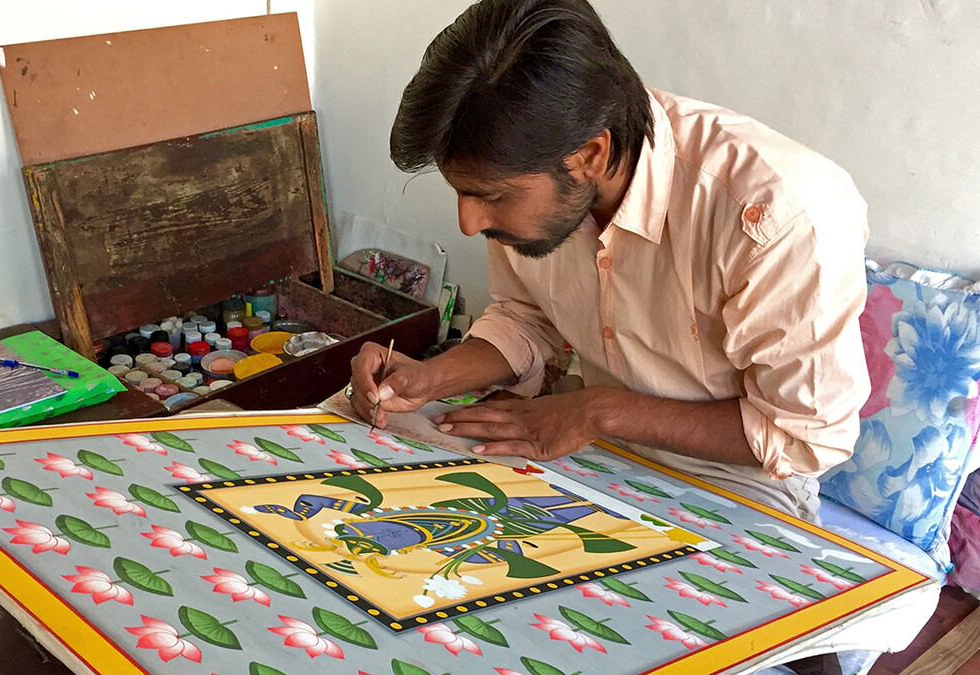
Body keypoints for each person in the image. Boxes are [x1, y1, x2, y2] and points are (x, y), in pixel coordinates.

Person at [348, 0, 869, 523]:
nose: (469, 222)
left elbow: (802, 437)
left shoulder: (775, 218)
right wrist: (429, 379)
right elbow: (525, 318)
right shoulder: (529, 171)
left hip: (741, 484)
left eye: (491, 195)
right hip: (590, 449)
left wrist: (598, 410)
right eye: (460, 193)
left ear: (592, 155)